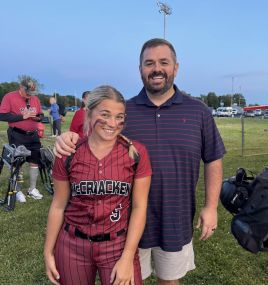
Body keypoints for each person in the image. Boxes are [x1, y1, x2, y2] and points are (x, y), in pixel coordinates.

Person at [54, 38, 226, 284]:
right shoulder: (124, 113)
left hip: (175, 219)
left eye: (163, 62)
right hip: (124, 224)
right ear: (140, 70)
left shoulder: (198, 111)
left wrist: (210, 207)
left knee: (170, 280)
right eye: (149, 63)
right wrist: (67, 137)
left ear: (176, 67)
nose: (156, 69)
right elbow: (89, 142)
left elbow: (213, 160)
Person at [44, 85, 152, 285]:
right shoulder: (68, 152)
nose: (113, 123)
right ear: (89, 113)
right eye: (105, 114)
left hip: (117, 245)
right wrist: (48, 251)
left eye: (119, 116)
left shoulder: (136, 153)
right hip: (72, 246)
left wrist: (127, 257)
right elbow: (58, 205)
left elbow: (139, 207)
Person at [0, 75, 44, 202]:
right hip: (17, 135)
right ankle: (17, 190)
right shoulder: (9, 97)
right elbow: (2, 115)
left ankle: (32, 189)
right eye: (27, 92)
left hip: (33, 135)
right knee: (17, 163)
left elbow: (40, 114)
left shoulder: (34, 98)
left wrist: (38, 118)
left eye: (32, 93)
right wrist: (22, 116)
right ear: (21, 87)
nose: (30, 95)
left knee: (34, 160)